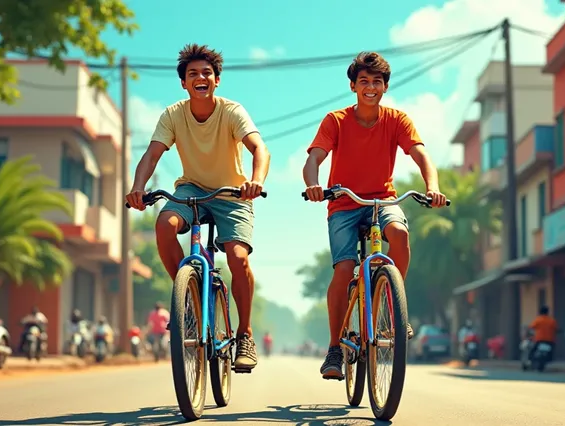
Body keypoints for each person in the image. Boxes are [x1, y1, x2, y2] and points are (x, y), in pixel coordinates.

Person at [125, 43, 271, 373]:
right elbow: (151, 155)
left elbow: (259, 148)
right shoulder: (173, 115)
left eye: (207, 73)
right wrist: (137, 188)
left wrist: (255, 179)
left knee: (237, 257)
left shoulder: (232, 111)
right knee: (164, 224)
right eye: (193, 74)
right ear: (184, 83)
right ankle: (187, 298)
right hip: (191, 189)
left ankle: (244, 334)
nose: (200, 77)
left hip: (232, 192)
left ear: (216, 80)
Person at [302, 51, 448, 380]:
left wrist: (433, 186)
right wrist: (313, 185)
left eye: (377, 82)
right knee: (344, 269)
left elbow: (421, 156)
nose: (370, 87)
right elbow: (313, 159)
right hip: (343, 203)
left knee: (400, 234)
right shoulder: (335, 120)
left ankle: (394, 305)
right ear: (353, 86)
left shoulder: (397, 120)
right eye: (364, 81)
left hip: (383, 200)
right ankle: (334, 349)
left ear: (385, 88)